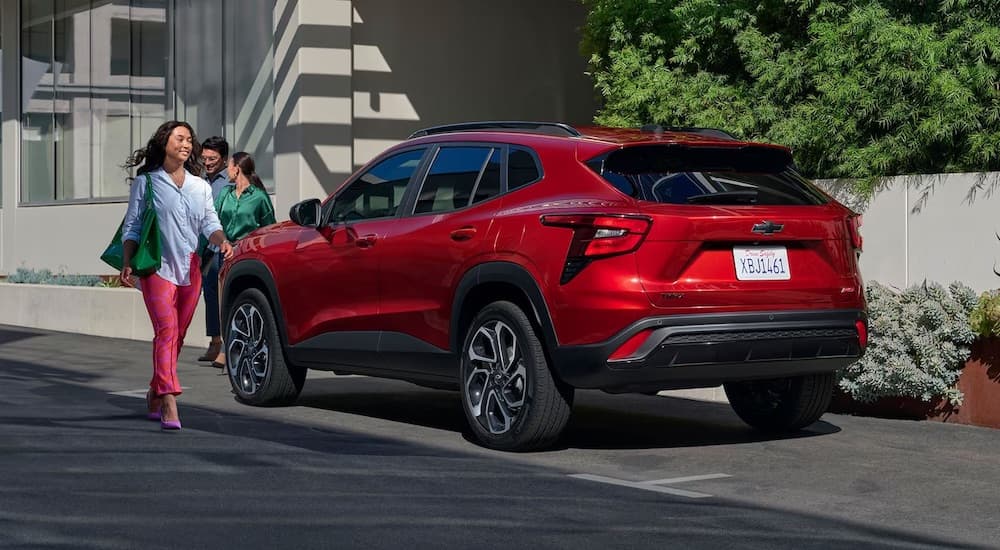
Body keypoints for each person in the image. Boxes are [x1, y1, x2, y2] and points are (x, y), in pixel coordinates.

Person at [120, 120, 234, 431]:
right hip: (157, 268)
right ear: (164, 142)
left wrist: (222, 241)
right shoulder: (147, 183)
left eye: (189, 139)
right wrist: (127, 261)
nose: (186, 144)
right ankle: (169, 398)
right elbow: (132, 226)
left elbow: (210, 223)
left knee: (178, 336)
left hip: (190, 268)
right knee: (167, 331)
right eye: (179, 138)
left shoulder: (201, 186)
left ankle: (155, 390)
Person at [209, 151, 277, 369]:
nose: (226, 170)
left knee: (244, 301)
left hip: (247, 253)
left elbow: (269, 228)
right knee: (223, 303)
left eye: (228, 166)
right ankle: (224, 348)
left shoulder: (259, 197)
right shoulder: (225, 195)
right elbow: (213, 220)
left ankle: (249, 346)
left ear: (236, 168)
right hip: (225, 252)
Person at [197, 136, 230, 364]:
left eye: (213, 158)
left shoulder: (230, 181)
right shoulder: (200, 182)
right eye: (205, 158)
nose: (207, 162)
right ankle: (215, 341)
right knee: (209, 296)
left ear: (224, 159)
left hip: (225, 246)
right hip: (206, 248)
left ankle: (227, 347)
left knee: (223, 297)